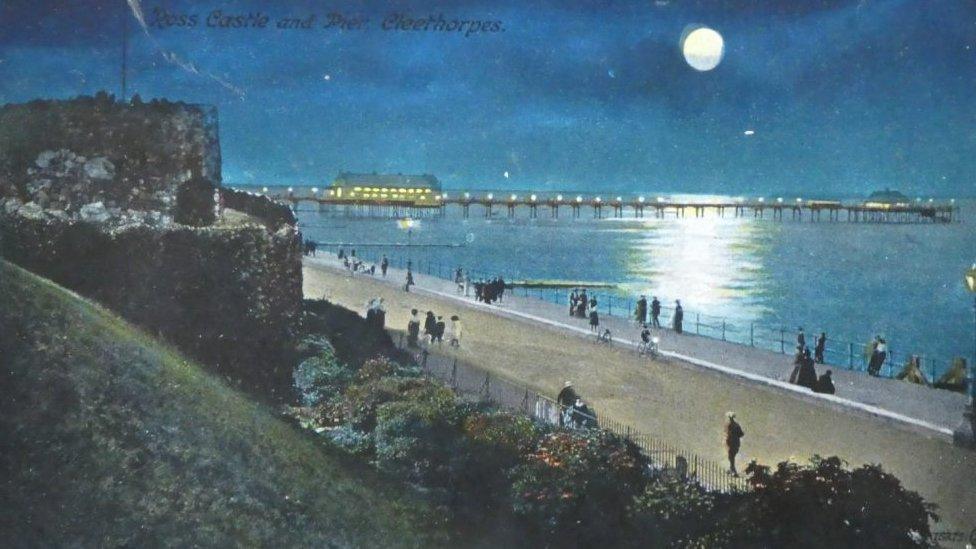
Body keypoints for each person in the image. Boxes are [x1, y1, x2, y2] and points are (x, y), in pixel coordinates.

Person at [725, 412, 744, 477]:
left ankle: (733, 469)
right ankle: (732, 468)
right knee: (731, 456)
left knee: (731, 456)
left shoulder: (730, 425)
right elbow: (741, 434)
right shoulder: (736, 425)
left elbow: (728, 433)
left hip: (732, 443)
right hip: (735, 443)